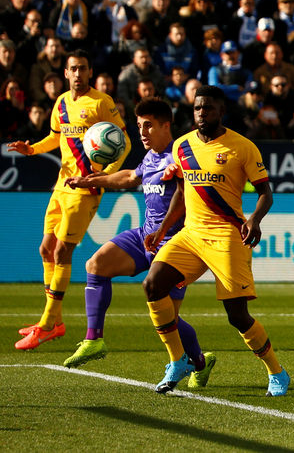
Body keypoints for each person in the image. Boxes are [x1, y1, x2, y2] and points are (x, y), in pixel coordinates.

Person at [141, 85, 290, 396]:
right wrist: (162, 228)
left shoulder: (242, 147)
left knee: (237, 316)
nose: (201, 113)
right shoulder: (182, 146)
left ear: (222, 111)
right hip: (191, 234)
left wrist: (253, 219)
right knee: (153, 284)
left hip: (226, 236)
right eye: (197, 108)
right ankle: (178, 359)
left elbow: (266, 193)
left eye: (208, 108)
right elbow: (181, 193)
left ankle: (277, 372)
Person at [60, 98, 215, 390]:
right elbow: (131, 176)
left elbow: (183, 199)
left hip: (177, 245)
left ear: (165, 125)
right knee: (96, 264)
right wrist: (93, 180)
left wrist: (164, 231)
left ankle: (194, 362)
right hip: (146, 234)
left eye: (148, 126)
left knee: (167, 316)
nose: (141, 132)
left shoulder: (181, 154)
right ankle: (94, 340)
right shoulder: (151, 157)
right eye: (139, 126)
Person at [8, 49, 130, 350]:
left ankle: (48, 323)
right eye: (73, 69)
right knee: (46, 249)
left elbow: (123, 142)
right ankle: (56, 322)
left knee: (63, 252)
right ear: (66, 73)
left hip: (84, 189)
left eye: (83, 69)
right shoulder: (61, 102)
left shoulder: (102, 103)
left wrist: (104, 176)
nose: (78, 73)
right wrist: (33, 149)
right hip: (61, 185)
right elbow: (56, 137)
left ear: (90, 72)